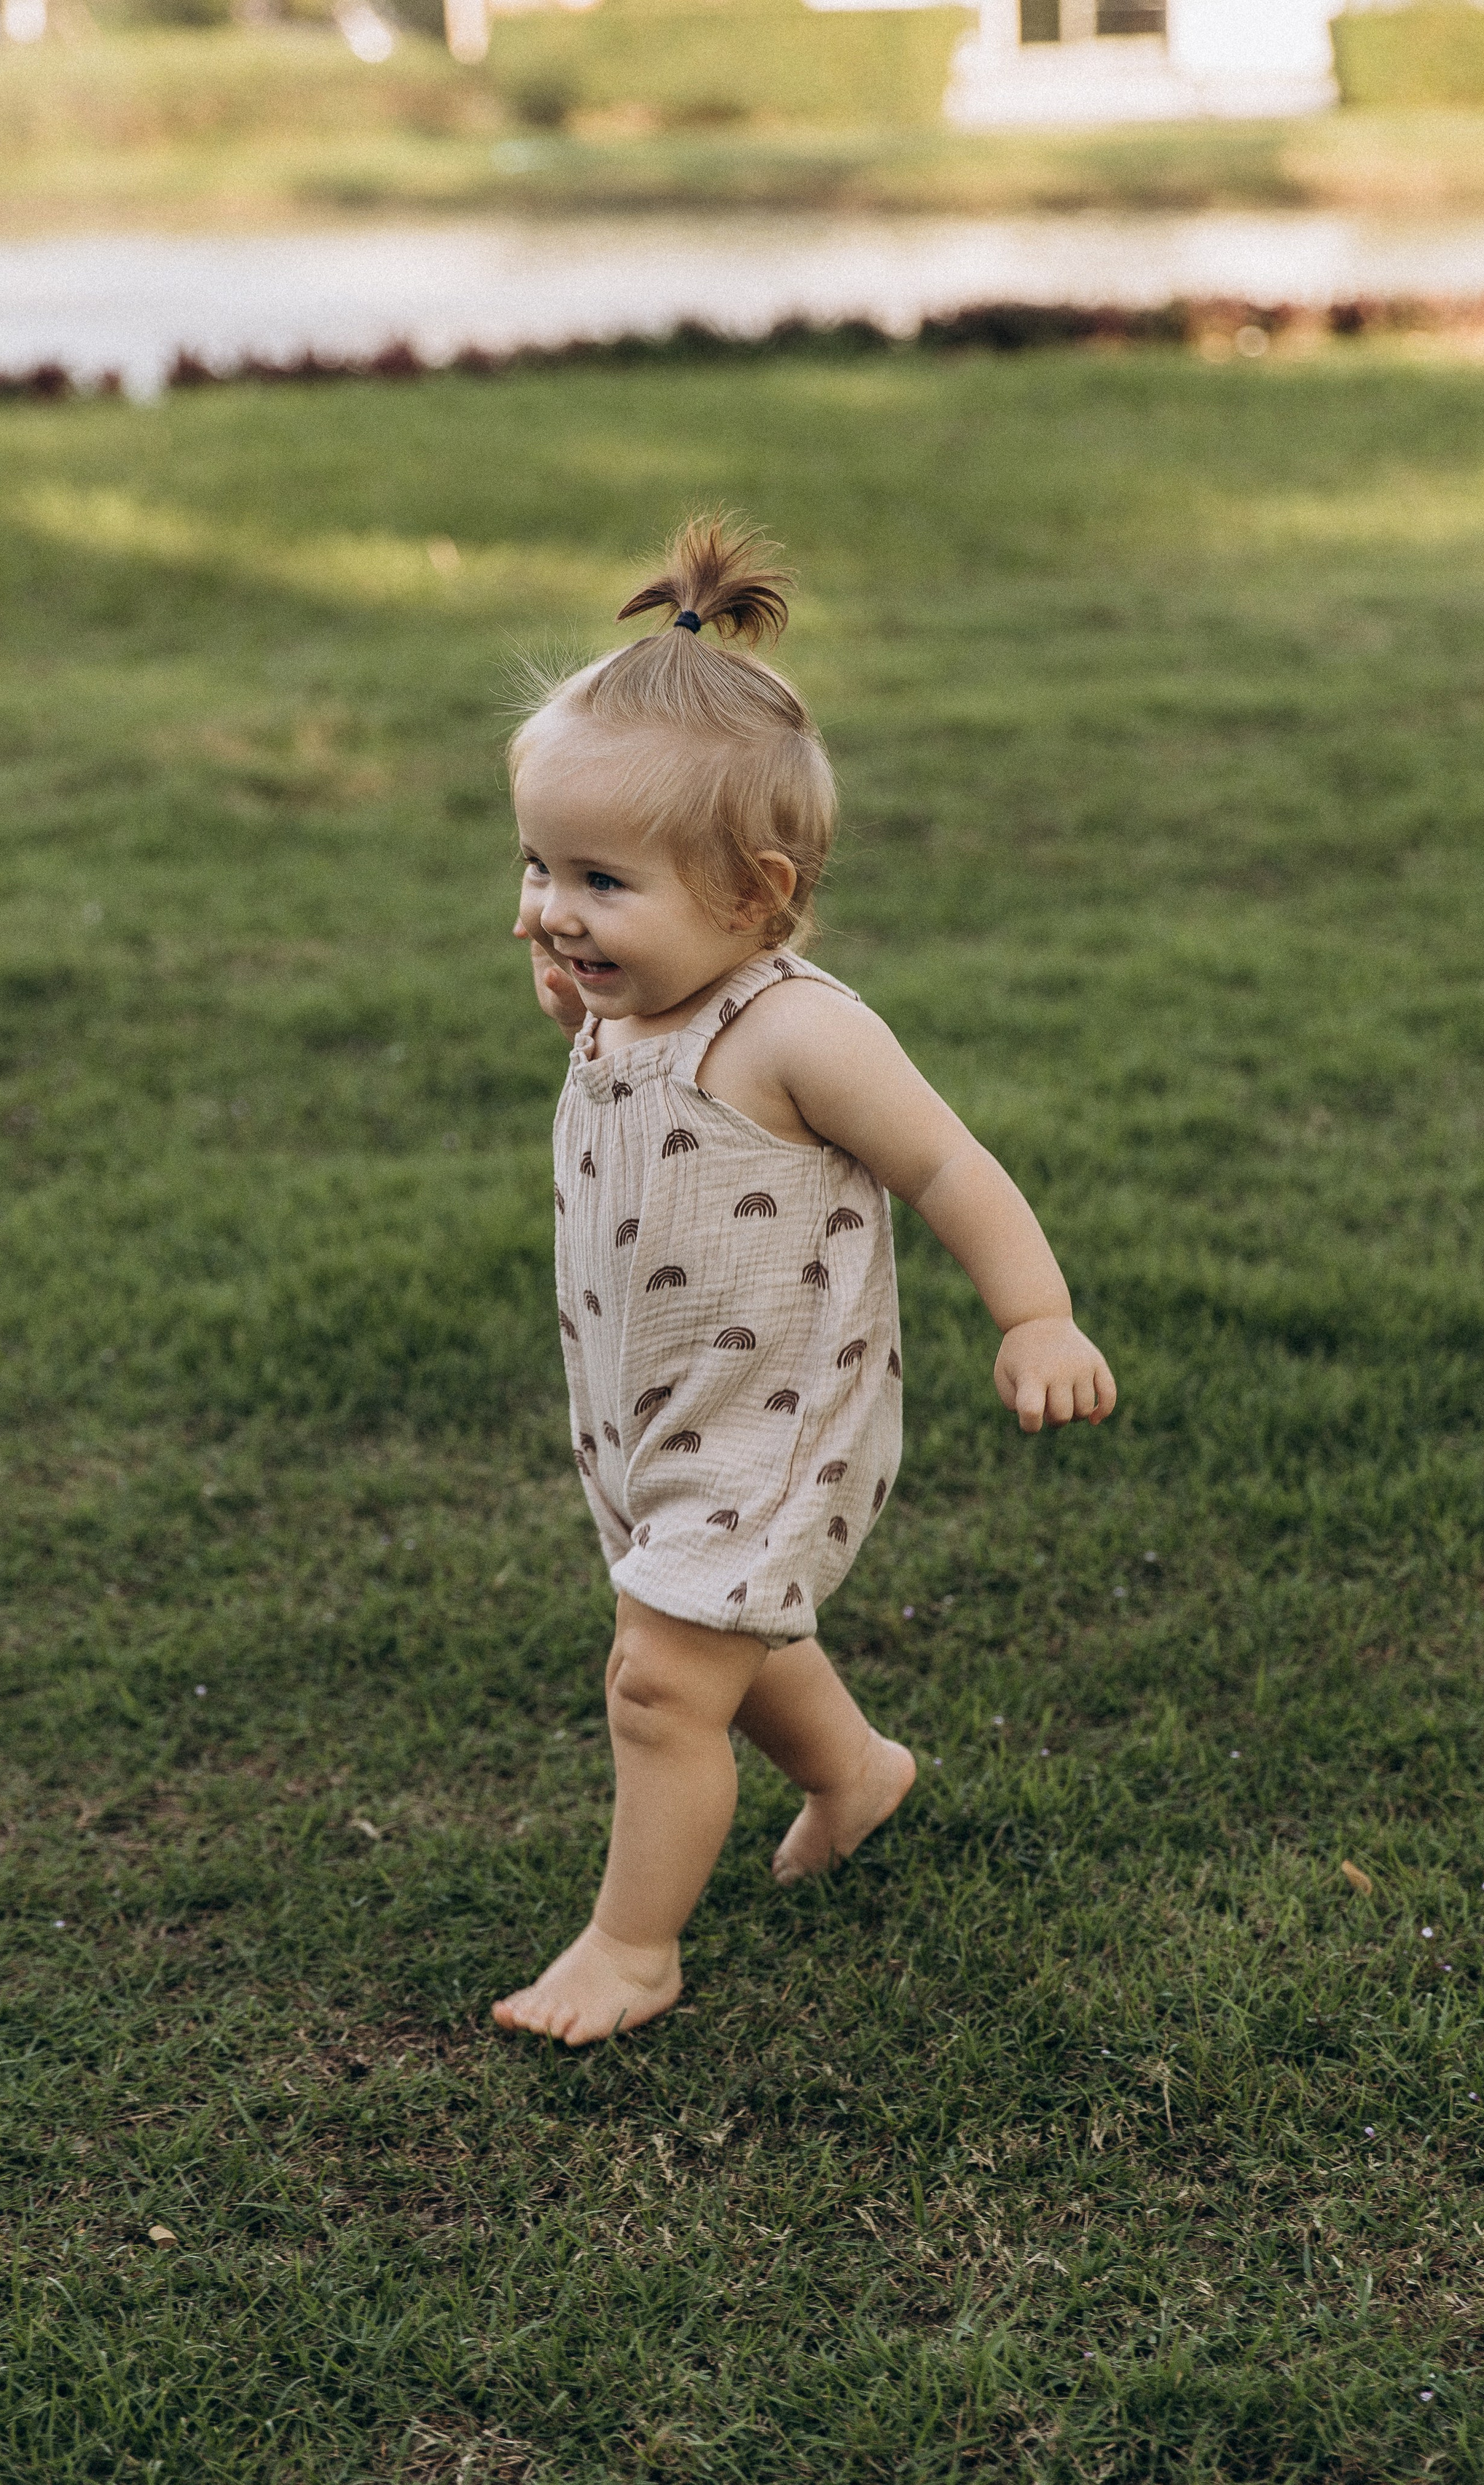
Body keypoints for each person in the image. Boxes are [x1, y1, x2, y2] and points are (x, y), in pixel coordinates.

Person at [493, 516, 1116, 2047]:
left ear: (755, 894)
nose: (552, 914)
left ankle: (634, 1948)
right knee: (724, 1630)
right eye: (533, 865)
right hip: (646, 1405)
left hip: (778, 1412)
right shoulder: (624, 999)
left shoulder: (794, 1032)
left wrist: (1032, 1315)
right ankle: (855, 1774)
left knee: (657, 1678)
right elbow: (611, 1053)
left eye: (597, 880)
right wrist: (579, 967)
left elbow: (952, 1169)